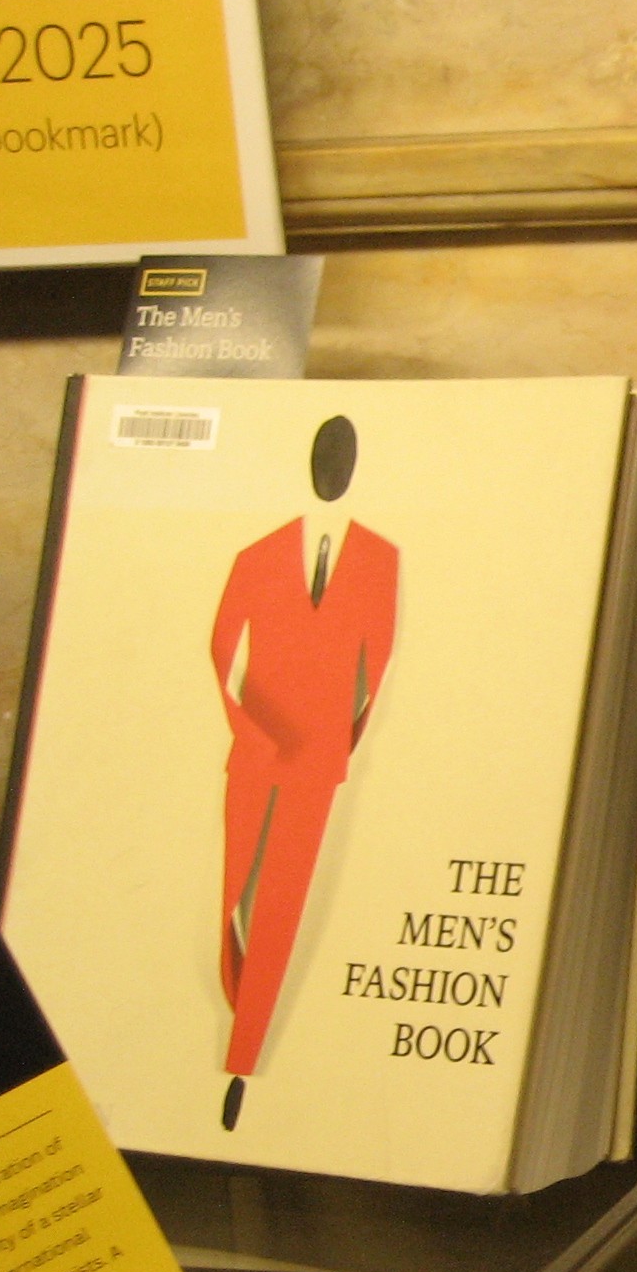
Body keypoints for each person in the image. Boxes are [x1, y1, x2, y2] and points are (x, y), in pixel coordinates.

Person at [211, 415, 400, 1129]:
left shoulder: (379, 559)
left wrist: (343, 745)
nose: (333, 475)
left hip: (317, 761)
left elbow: (378, 666)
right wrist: (246, 729)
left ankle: (242, 1059)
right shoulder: (258, 554)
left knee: (280, 908)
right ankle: (240, 1018)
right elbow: (220, 647)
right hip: (255, 753)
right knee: (232, 895)